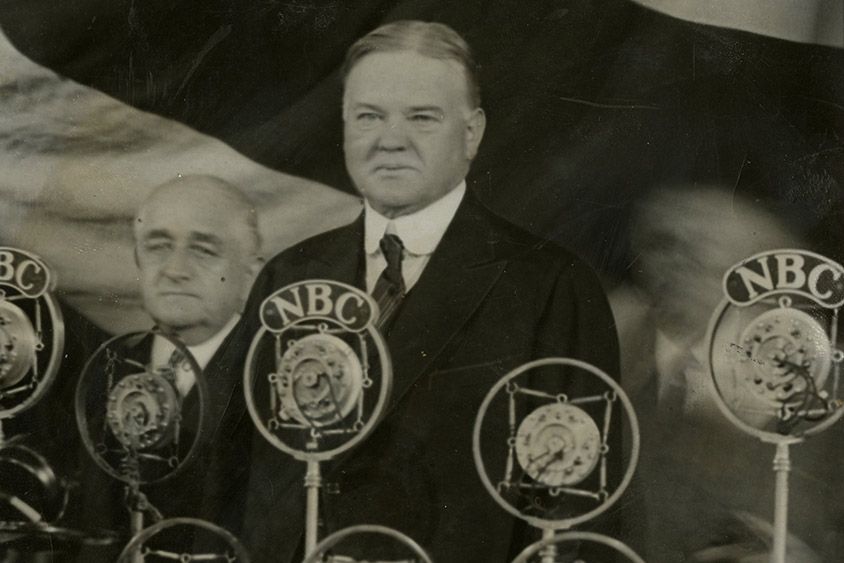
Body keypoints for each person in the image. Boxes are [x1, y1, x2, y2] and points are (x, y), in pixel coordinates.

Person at [241, 21, 620, 563]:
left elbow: (581, 502)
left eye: (422, 117)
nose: (390, 139)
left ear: (472, 133)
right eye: (369, 116)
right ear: (345, 127)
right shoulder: (289, 276)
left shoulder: (551, 286)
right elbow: (234, 474)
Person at [71, 174, 264, 559]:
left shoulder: (268, 385)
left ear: (251, 273)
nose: (175, 269)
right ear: (139, 260)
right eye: (158, 246)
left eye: (205, 250)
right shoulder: (100, 376)